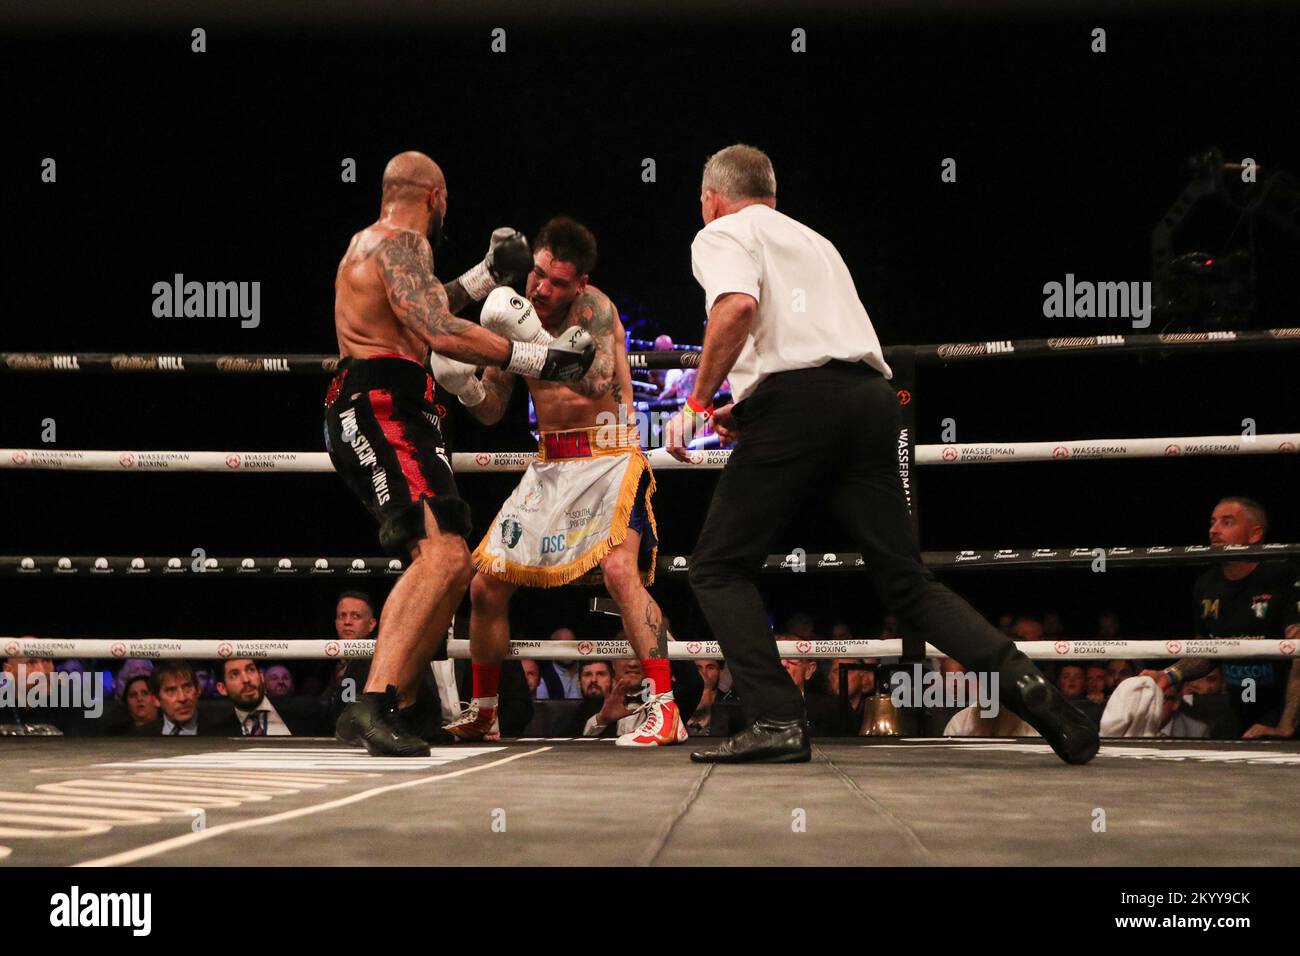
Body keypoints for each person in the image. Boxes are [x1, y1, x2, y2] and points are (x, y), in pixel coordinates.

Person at [667, 143, 1098, 764]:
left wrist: (699, 404)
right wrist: (747, 408)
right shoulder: (817, 242)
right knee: (907, 583)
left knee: (716, 567)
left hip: (802, 407)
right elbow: (819, 350)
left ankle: (776, 719)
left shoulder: (722, 232)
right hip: (871, 403)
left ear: (712, 198)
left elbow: (737, 307)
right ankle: (1036, 692)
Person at [326, 152, 595, 757]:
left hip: (396, 407)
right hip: (383, 405)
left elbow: (418, 308)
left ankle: (391, 705)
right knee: (443, 558)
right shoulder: (405, 243)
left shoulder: (372, 245)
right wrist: (541, 359)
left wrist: (483, 274)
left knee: (450, 565)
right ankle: (373, 704)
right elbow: (440, 330)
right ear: (437, 197)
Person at [446, 217, 683, 747]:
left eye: (557, 282)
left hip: (609, 455)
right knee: (485, 584)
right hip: (551, 464)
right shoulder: (513, 311)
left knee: (622, 572)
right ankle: (486, 712)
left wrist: (527, 337)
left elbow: (596, 378)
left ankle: (666, 709)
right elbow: (493, 409)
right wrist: (462, 386)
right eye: (537, 275)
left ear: (578, 283)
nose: (542, 288)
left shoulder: (593, 308)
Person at [1141, 497, 1299, 738]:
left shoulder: (1284, 575)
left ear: (1254, 534)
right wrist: (1169, 675)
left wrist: (1287, 725)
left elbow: (1299, 652)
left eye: (1227, 522)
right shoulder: (1206, 584)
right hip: (1239, 708)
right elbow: (1205, 650)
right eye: (1212, 522)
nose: (1214, 530)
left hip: (1288, 709)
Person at [216, 659, 326, 736]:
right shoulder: (217, 735)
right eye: (234, 674)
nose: (246, 679)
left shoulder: (306, 710)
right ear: (222, 688)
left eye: (250, 670)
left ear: (261, 676)